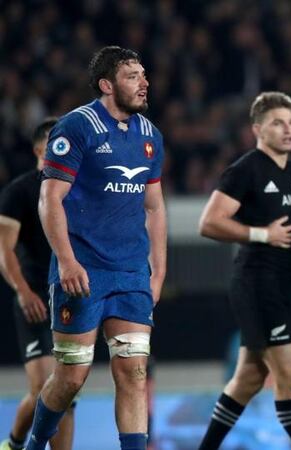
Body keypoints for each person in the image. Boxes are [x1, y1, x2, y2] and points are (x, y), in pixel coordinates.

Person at [27, 46, 167, 450]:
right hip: (83, 272)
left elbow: (155, 207)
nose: (144, 83)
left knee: (134, 372)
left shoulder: (149, 135)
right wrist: (67, 261)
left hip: (130, 274)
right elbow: (49, 200)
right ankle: (36, 443)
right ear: (107, 85)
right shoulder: (77, 126)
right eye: (132, 76)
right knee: (71, 376)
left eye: (144, 74)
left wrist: (158, 271)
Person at [197, 91, 291, 450]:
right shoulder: (245, 170)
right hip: (256, 282)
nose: (288, 130)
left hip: (278, 282)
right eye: (278, 123)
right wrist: (262, 234)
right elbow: (210, 222)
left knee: (247, 379)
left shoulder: (290, 171)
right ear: (258, 129)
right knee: (289, 373)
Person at [0, 118, 75, 450]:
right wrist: (23, 291)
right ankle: (15, 443)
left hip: (70, 300)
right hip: (35, 302)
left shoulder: (76, 187)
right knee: (46, 386)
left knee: (68, 390)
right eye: (55, 145)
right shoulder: (19, 191)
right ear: (38, 151)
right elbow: (4, 248)